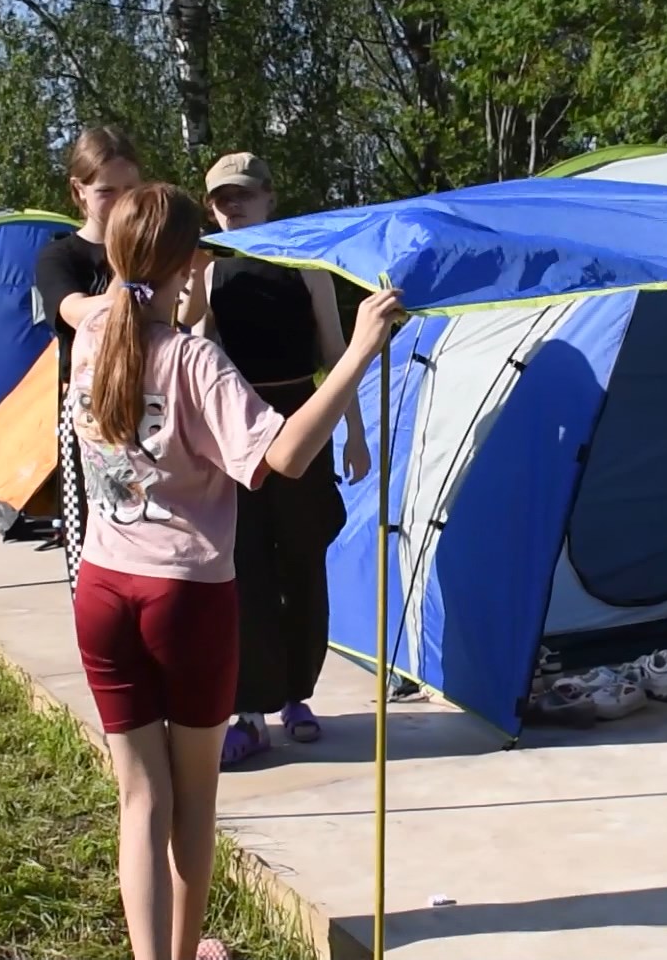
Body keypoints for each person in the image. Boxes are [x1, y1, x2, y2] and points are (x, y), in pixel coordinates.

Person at [66, 181, 403, 960]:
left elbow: (100, 307)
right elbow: (282, 456)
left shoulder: (93, 344)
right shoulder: (194, 360)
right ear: (194, 262)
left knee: (140, 797)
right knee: (193, 801)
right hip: (185, 599)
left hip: (103, 590)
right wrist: (356, 351)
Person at [179, 152, 370, 765]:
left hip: (302, 425)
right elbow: (189, 356)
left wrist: (356, 435)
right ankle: (249, 710)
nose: (230, 206)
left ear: (269, 197)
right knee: (244, 571)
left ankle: (297, 696)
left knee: (304, 565)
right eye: (219, 199)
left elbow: (337, 355)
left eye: (242, 195)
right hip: (234, 437)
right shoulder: (205, 271)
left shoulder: (308, 266)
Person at [35, 126, 142, 587]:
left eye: (132, 191)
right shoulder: (61, 256)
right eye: (107, 192)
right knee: (91, 549)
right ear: (78, 192)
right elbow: (79, 313)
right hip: (89, 416)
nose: (121, 203)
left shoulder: (156, 249)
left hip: (153, 410)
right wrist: (128, 268)